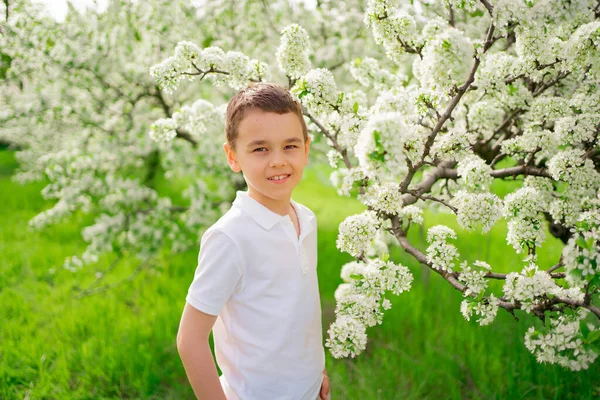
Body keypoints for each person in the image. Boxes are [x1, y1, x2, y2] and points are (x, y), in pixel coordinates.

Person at [176, 82, 331, 400]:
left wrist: (316, 375)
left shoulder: (306, 220)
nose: (277, 160)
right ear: (233, 157)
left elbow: (299, 315)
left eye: (290, 146)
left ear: (306, 148)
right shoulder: (230, 238)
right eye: (260, 149)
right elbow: (190, 340)